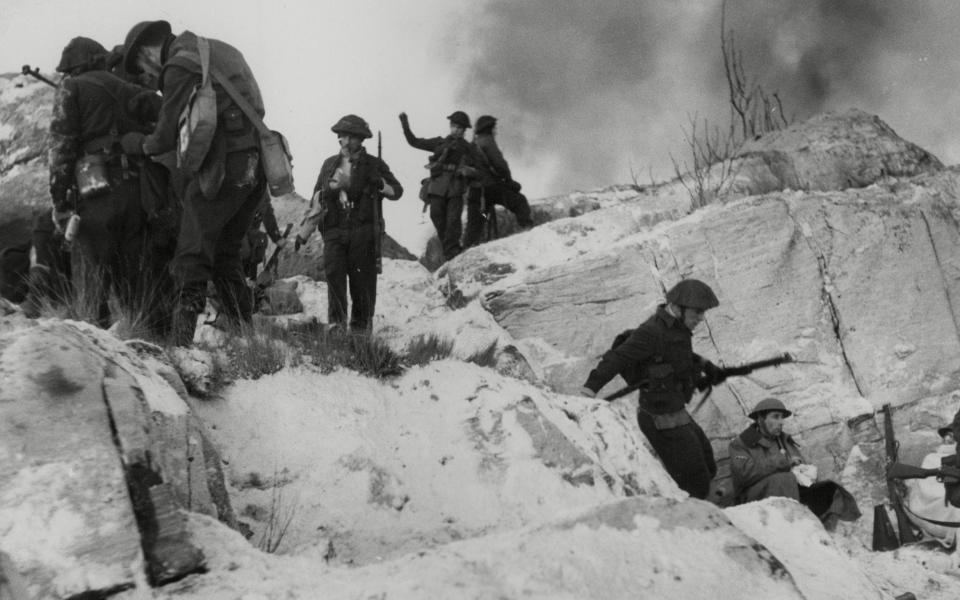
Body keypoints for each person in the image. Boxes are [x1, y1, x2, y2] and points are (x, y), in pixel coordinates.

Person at [122, 20, 268, 345]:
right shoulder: (219, 51)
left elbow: (162, 137)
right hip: (256, 164)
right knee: (226, 252)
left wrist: (139, 144)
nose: (148, 78)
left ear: (148, 50)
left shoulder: (178, 64)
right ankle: (247, 338)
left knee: (191, 252)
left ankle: (182, 345)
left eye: (143, 70)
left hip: (224, 165)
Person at [48, 36, 164, 330]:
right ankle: (142, 340)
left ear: (73, 67)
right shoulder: (125, 87)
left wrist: (60, 202)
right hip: (134, 191)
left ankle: (96, 346)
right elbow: (159, 111)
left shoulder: (71, 87)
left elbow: (61, 148)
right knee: (133, 275)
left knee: (93, 277)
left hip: (95, 191)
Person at [580, 278, 725, 499]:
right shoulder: (651, 332)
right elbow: (616, 358)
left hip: (676, 411)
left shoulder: (678, 329)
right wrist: (589, 390)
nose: (701, 318)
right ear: (678, 307)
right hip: (659, 419)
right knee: (695, 480)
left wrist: (706, 365)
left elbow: (678, 356)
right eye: (697, 312)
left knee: (707, 461)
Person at [295, 115, 402, 332]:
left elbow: (397, 191)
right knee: (335, 281)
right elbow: (317, 199)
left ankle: (360, 335)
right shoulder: (329, 165)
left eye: (346, 136)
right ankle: (337, 329)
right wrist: (304, 232)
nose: (341, 140)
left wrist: (379, 182)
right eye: (340, 136)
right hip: (334, 232)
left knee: (362, 286)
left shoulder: (374, 165)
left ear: (358, 139)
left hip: (363, 234)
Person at [399, 110, 477, 262]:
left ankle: (452, 250)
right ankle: (449, 248)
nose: (456, 130)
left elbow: (478, 169)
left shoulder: (468, 148)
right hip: (437, 187)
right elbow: (413, 142)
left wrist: (467, 171)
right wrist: (405, 124)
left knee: (453, 220)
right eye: (454, 126)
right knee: (436, 216)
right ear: (450, 126)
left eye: (460, 128)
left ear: (464, 130)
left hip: (455, 187)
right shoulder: (439, 143)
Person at [463, 115, 533, 248]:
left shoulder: (473, 145)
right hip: (491, 188)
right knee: (519, 201)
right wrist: (509, 180)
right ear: (489, 128)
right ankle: (527, 230)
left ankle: (466, 250)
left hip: (475, 192)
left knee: (475, 224)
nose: (496, 131)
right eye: (494, 128)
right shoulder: (487, 141)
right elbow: (500, 165)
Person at [728, 397, 805, 503]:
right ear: (760, 419)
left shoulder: (785, 440)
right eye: (776, 417)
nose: (781, 422)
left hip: (789, 492)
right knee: (783, 479)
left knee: (829, 488)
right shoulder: (741, 443)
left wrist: (804, 471)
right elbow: (744, 475)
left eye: (782, 417)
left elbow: (799, 465)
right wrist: (782, 462)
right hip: (755, 500)